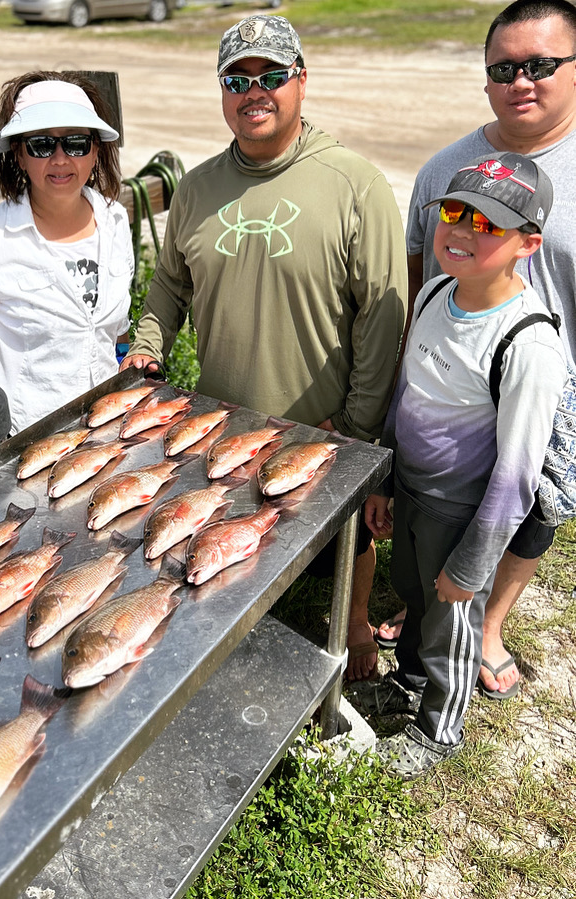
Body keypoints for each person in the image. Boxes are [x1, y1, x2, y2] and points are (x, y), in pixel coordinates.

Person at [120, 14, 407, 681]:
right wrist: (146, 344)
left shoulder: (353, 184)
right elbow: (168, 285)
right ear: (222, 91)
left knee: (348, 537)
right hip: (222, 421)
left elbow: (380, 320)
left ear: (300, 82)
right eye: (237, 79)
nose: (256, 91)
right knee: (226, 534)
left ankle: (355, 621)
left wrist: (355, 426)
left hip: (322, 424)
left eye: (272, 76)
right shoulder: (196, 187)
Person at [375, 0, 576, 699]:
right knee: (440, 507)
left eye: (541, 65)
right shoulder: (445, 169)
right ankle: (430, 606)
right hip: (456, 369)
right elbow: (418, 277)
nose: (521, 80)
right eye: (503, 68)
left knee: (531, 504)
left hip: (552, 375)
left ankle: (484, 623)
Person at [359, 153, 567, 779]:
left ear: (528, 244)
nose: (463, 230)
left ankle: (439, 729)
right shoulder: (433, 292)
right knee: (416, 597)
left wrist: (474, 564)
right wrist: (388, 481)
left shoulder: (527, 343)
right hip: (415, 492)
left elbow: (517, 476)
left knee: (453, 617)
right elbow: (408, 392)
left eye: (488, 223)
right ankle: (412, 682)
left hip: (464, 510)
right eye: (454, 212)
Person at [0, 72, 134, 434]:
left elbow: (117, 330)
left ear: (96, 151)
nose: (61, 159)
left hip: (112, 423)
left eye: (76, 143)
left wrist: (128, 368)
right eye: (41, 145)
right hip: (32, 435)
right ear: (18, 153)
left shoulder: (115, 221)